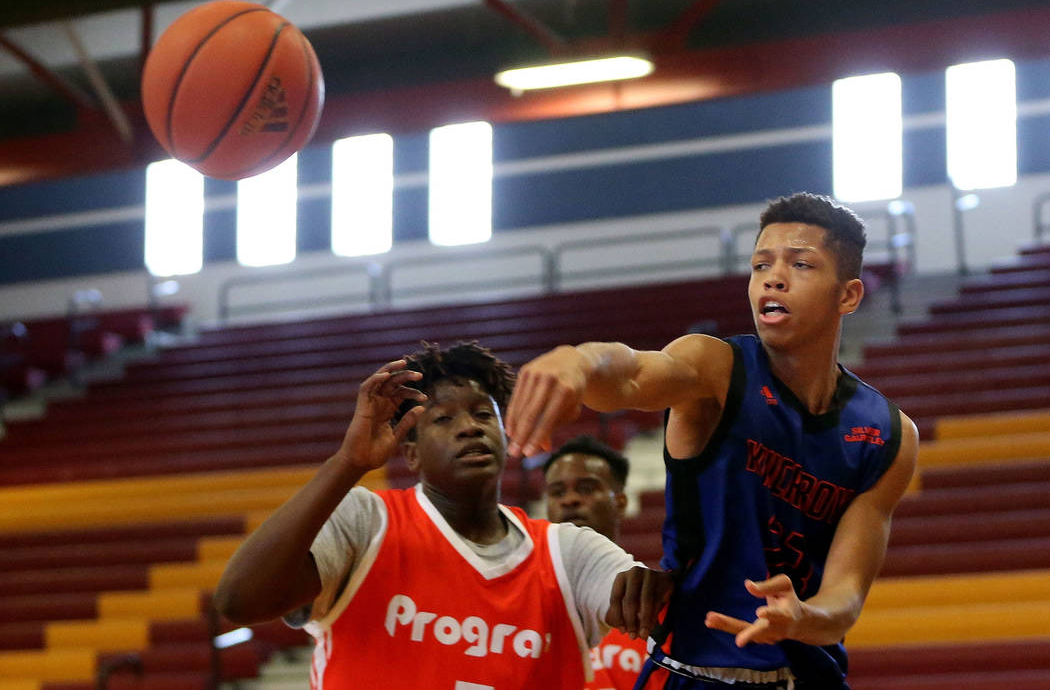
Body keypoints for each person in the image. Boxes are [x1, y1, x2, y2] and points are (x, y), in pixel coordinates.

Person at [505, 192, 919, 689]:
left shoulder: (889, 434)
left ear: (848, 296)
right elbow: (635, 373)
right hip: (693, 672)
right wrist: (581, 360)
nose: (773, 276)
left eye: (801, 264)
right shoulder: (716, 368)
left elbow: (846, 596)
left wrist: (804, 618)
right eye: (760, 264)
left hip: (808, 676)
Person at [214, 341, 671, 690]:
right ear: (409, 451)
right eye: (444, 419)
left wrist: (650, 588)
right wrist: (347, 464)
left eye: (481, 414)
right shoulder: (366, 520)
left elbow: (646, 601)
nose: (469, 426)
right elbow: (240, 600)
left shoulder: (568, 551)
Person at [543, 435, 665, 690]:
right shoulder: (522, 599)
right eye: (557, 492)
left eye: (586, 488)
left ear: (620, 503)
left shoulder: (651, 602)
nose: (569, 500)